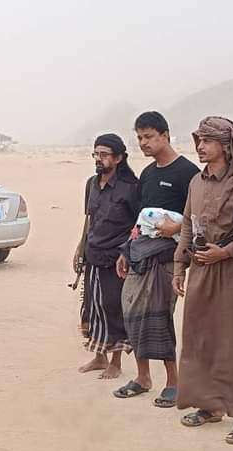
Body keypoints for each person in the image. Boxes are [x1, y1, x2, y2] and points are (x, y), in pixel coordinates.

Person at [172, 117, 233, 444]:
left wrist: (225, 251)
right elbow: (187, 223)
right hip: (200, 268)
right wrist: (180, 266)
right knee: (200, 338)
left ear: (226, 145)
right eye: (198, 140)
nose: (200, 146)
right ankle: (208, 406)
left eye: (207, 141)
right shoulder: (196, 182)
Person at [113, 112, 199, 404]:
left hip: (166, 258)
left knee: (160, 316)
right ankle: (143, 377)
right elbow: (141, 219)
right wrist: (126, 250)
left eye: (148, 136)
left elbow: (199, 218)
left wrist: (177, 229)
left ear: (165, 135)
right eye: (139, 137)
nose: (143, 143)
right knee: (132, 312)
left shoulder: (187, 173)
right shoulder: (148, 174)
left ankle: (174, 381)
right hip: (139, 254)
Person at [75, 134, 139, 379]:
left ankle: (116, 362)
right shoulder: (91, 184)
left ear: (119, 158)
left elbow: (138, 225)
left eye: (104, 154)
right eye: (96, 154)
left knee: (114, 308)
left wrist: (128, 253)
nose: (98, 159)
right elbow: (89, 219)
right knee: (93, 307)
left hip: (116, 258)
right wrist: (80, 248)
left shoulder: (131, 187)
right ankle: (99, 357)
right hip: (93, 254)